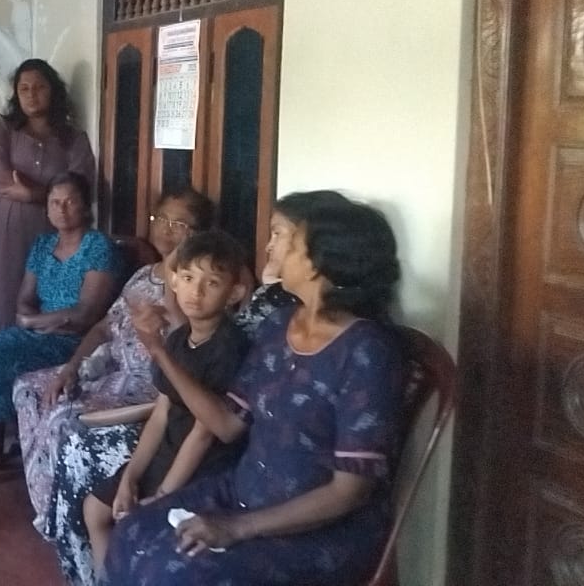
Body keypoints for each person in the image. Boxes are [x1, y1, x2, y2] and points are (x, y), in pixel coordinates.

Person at [104, 191, 406, 585]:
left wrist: (238, 527)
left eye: (286, 240)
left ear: (320, 261)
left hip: (317, 531)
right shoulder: (279, 325)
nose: (269, 247)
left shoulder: (367, 351)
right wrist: (160, 351)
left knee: (170, 572)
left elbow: (349, 492)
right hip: (245, 492)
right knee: (132, 532)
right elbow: (228, 424)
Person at [12, 188, 213, 532]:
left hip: (147, 387)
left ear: (198, 233)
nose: (167, 229)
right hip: (108, 369)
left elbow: (190, 347)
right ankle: (46, 502)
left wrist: (168, 303)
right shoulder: (142, 275)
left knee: (64, 417)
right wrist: (72, 366)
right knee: (29, 388)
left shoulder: (195, 286)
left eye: (179, 224)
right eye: (161, 219)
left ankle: (68, 523)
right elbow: (104, 327)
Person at [83, 231, 251, 576]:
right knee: (95, 510)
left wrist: (163, 495)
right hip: (168, 451)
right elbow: (161, 414)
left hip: (203, 466)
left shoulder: (229, 347)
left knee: (137, 528)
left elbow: (203, 435)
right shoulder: (178, 340)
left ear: (234, 292)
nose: (196, 292)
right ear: (173, 281)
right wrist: (131, 476)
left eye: (211, 283)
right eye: (187, 278)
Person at [0, 172, 119, 491]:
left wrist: (34, 322)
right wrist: (37, 320)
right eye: (54, 202)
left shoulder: (98, 246)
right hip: (36, 333)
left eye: (70, 201)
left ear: (85, 206)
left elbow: (85, 314)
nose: (62, 209)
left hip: (72, 342)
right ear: (46, 208)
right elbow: (24, 300)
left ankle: (20, 440)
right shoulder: (43, 245)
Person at [0, 59, 95, 340]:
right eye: (24, 88)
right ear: (16, 94)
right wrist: (51, 191)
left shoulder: (73, 137)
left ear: (53, 90)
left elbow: (81, 184)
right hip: (4, 229)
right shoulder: (3, 128)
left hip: (53, 227)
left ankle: (40, 355)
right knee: (2, 292)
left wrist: (33, 194)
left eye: (40, 87)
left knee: (45, 292)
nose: (32, 95)